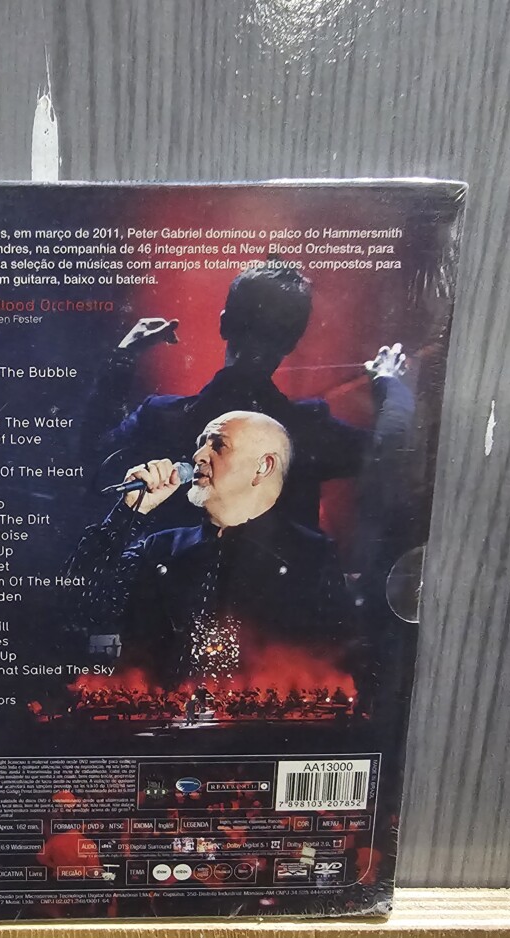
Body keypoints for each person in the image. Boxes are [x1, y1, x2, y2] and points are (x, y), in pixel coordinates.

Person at [81, 262, 412, 531]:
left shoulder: (162, 417)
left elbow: (93, 450)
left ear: (224, 325)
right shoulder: (308, 428)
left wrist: (124, 355)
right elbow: (390, 449)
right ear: (292, 342)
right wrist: (388, 382)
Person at [69, 410, 356, 685]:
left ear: (263, 466)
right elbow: (79, 605)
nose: (198, 456)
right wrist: (130, 511)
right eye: (200, 444)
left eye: (218, 445)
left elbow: (334, 659)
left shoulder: (310, 556)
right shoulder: (161, 549)